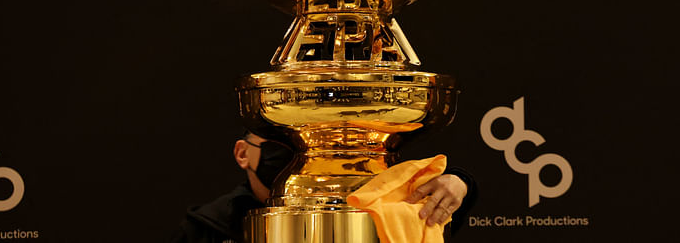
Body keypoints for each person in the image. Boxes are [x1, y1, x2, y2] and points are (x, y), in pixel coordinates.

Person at [170, 133, 477, 243]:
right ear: (242, 153)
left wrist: (460, 181)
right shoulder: (207, 227)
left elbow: (435, 213)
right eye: (279, 143)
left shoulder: (376, 205)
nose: (298, 156)